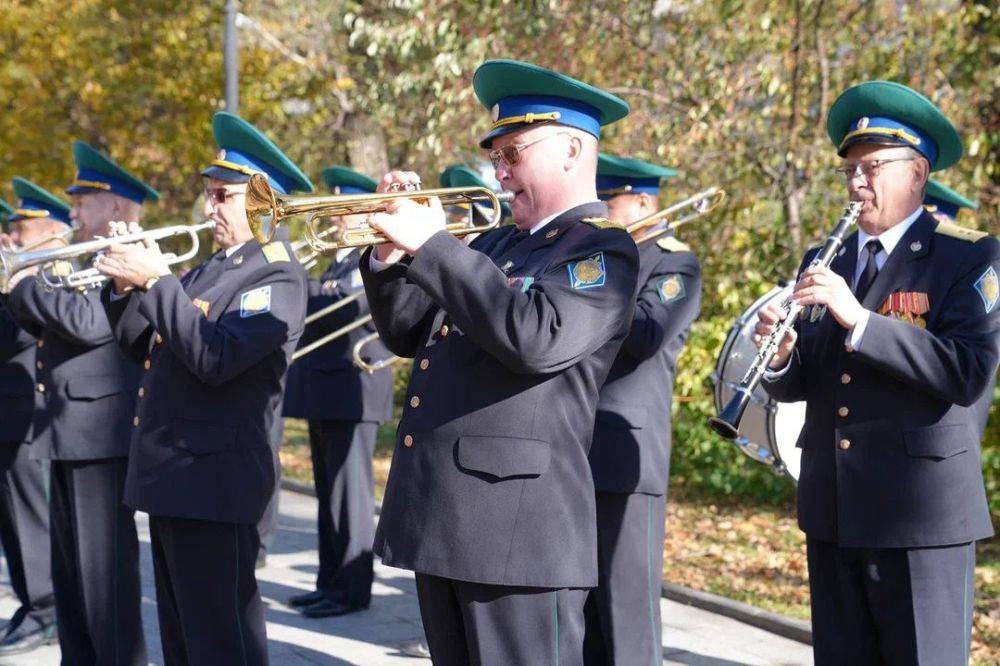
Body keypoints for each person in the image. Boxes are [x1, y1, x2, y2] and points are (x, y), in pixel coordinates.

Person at [360, 59, 639, 665]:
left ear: (571, 149)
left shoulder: (602, 249)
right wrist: (388, 257)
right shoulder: (493, 245)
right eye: (497, 155)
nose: (500, 170)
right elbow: (410, 333)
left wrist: (435, 246)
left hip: (520, 537)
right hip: (449, 520)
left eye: (514, 152)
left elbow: (535, 338)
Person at [757, 80, 997, 665]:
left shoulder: (969, 256)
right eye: (849, 170)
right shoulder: (828, 255)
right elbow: (814, 379)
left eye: (872, 167)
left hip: (919, 514)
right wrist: (783, 355)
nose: (856, 182)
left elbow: (967, 372)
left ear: (917, 173)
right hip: (835, 506)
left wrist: (860, 320)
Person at [96, 111, 310, 664]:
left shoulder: (276, 273)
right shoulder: (210, 269)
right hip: (175, 477)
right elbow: (141, 345)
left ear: (265, 201)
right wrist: (123, 288)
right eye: (210, 195)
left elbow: (216, 358)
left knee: (221, 644)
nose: (209, 207)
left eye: (224, 196)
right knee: (184, 642)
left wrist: (156, 279)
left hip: (216, 482)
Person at [3, 145, 158, 665]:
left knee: (104, 582)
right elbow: (47, 322)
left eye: (83, 201)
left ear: (115, 207)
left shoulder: (126, 253)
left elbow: (91, 323)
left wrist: (21, 283)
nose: (72, 212)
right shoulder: (85, 258)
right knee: (72, 579)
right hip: (70, 429)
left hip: (101, 432)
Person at [583, 154, 702, 665]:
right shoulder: (599, 255)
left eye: (610, 202)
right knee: (579, 596)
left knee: (625, 602)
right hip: (575, 438)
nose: (601, 212)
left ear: (645, 203)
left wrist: (591, 287)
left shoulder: (674, 261)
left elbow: (648, 333)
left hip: (626, 449)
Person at [284, 165, 394, 618]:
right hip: (324, 391)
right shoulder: (338, 261)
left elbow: (343, 307)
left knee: (350, 498)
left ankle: (351, 588)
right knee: (327, 493)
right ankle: (329, 580)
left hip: (354, 391)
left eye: (342, 210)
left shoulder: (368, 258)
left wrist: (300, 290)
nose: (334, 219)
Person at [0, 181, 65, 655]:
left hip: (29, 415)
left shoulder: (45, 276)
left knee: (29, 521)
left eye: (21, 229)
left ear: (46, 231)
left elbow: (15, 336)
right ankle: (32, 604)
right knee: (12, 521)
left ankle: (46, 609)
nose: (12, 238)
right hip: (10, 412)